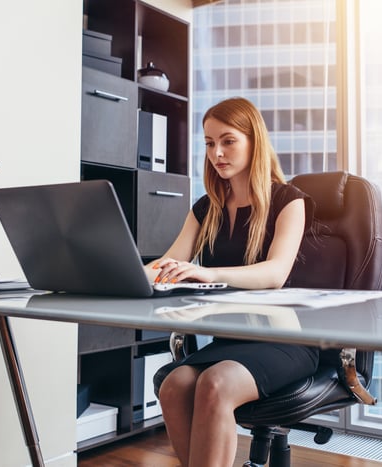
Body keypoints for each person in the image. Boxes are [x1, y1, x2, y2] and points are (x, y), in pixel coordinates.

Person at [145, 97, 319, 467]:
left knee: (215, 384)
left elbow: (275, 273)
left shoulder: (288, 200)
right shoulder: (206, 208)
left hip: (285, 341)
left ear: (254, 141)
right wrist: (120, 272)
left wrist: (209, 273)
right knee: (174, 385)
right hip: (231, 339)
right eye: (209, 143)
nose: (216, 153)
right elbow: (168, 263)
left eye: (228, 141)